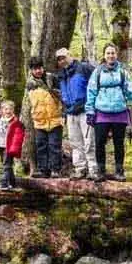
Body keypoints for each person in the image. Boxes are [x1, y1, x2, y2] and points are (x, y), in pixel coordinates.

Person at [84, 43, 132, 182]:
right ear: (104, 55)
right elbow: (91, 92)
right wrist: (90, 111)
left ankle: (119, 171)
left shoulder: (123, 72)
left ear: (116, 55)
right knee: (100, 142)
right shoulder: (98, 72)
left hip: (120, 113)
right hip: (101, 113)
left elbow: (130, 92)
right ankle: (101, 171)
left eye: (113, 53)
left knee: (119, 143)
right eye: (108, 53)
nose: (111, 55)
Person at [56, 48, 97, 180]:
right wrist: (64, 112)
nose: (62, 60)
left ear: (70, 55)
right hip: (70, 112)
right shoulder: (61, 74)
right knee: (75, 142)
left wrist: (93, 105)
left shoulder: (84, 68)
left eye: (63, 57)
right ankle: (80, 168)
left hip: (85, 110)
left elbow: (96, 84)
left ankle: (93, 169)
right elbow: (62, 95)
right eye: (59, 59)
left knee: (89, 141)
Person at [22, 56, 64, 178]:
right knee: (41, 146)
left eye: (40, 68)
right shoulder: (30, 84)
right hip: (39, 121)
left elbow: (61, 96)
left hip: (55, 119)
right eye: (35, 69)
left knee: (54, 146)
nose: (38, 71)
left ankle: (55, 169)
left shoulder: (52, 78)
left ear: (43, 67)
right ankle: (42, 170)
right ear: (31, 70)